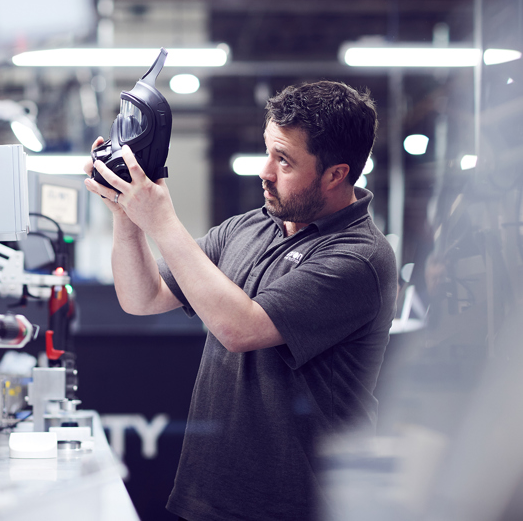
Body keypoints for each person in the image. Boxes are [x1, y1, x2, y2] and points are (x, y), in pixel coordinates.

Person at [84, 80, 397, 521]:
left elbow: (241, 328)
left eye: (284, 161)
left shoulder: (359, 256)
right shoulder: (249, 227)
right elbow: (143, 297)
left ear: (335, 174)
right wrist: (126, 214)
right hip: (210, 496)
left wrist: (162, 219)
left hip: (298, 506)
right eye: (268, 151)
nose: (265, 171)